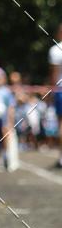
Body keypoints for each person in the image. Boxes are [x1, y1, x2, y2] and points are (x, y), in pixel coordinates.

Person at [48, 24, 62, 168]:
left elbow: (54, 75)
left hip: (60, 90)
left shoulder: (55, 50)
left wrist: (51, 92)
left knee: (61, 125)